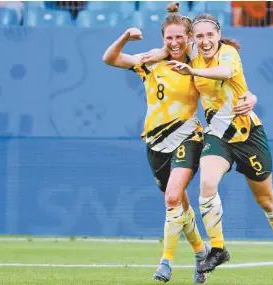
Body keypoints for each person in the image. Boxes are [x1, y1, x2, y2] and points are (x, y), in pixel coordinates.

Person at [102, 3, 257, 283]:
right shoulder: (150, 63)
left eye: (179, 37)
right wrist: (125, 36)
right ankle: (201, 252)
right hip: (155, 142)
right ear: (162, 40)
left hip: (188, 136)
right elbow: (110, 59)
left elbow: (229, 75)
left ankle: (166, 262)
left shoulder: (196, 64)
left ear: (188, 39)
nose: (174, 43)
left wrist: (251, 97)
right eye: (168, 38)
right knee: (179, 208)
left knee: (173, 196)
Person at [165, 12, 273, 285]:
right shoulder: (190, 54)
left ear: (218, 36)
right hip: (219, 136)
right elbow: (169, 46)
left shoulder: (227, 54)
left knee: (267, 203)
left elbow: (226, 73)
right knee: (206, 183)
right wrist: (173, 18)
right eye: (199, 36)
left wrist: (251, 96)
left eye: (210, 35)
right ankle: (218, 248)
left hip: (248, 134)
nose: (205, 41)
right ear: (194, 38)